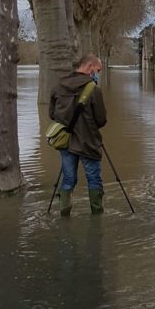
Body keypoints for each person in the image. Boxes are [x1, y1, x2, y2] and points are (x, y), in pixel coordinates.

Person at [49, 53, 107, 216]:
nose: (98, 73)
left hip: (65, 142)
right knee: (94, 179)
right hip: (88, 142)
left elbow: (52, 114)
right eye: (98, 70)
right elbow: (101, 120)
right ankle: (97, 217)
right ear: (89, 67)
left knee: (68, 179)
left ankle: (64, 215)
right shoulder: (94, 90)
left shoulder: (59, 86)